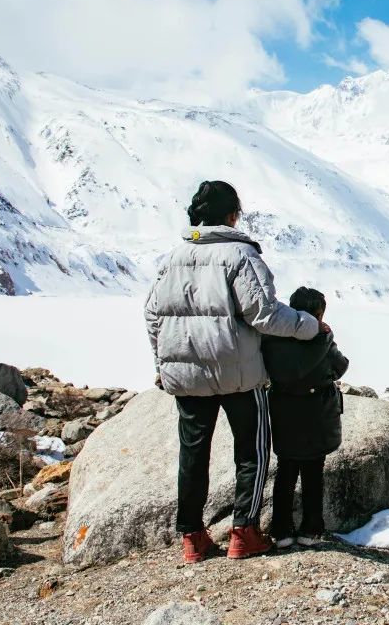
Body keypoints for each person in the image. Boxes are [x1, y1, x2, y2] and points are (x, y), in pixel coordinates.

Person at [144, 181, 322, 564]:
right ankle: (245, 531)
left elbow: (152, 314)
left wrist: (163, 364)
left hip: (187, 373)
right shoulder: (240, 254)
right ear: (231, 216)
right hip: (238, 371)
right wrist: (310, 325)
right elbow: (264, 312)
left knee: (193, 454)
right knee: (252, 451)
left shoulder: (171, 258)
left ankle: (192, 537)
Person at [262, 286, 349, 548]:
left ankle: (281, 529)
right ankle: (311, 528)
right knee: (313, 471)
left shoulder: (272, 338)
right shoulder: (323, 340)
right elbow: (340, 366)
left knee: (285, 470)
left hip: (284, 412)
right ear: (319, 313)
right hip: (316, 414)